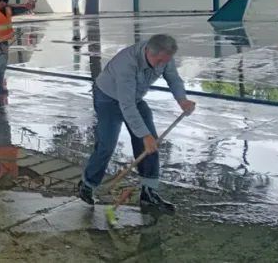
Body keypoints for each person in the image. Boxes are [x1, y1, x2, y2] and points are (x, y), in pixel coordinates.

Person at [78, 34, 196, 214]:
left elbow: (173, 78)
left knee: (151, 145)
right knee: (107, 144)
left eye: (165, 61)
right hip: (108, 98)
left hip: (134, 97)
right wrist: (145, 135)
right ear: (148, 51)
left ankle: (148, 193)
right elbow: (126, 106)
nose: (161, 64)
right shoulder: (127, 63)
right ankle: (87, 183)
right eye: (158, 60)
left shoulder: (164, 56)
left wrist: (182, 100)